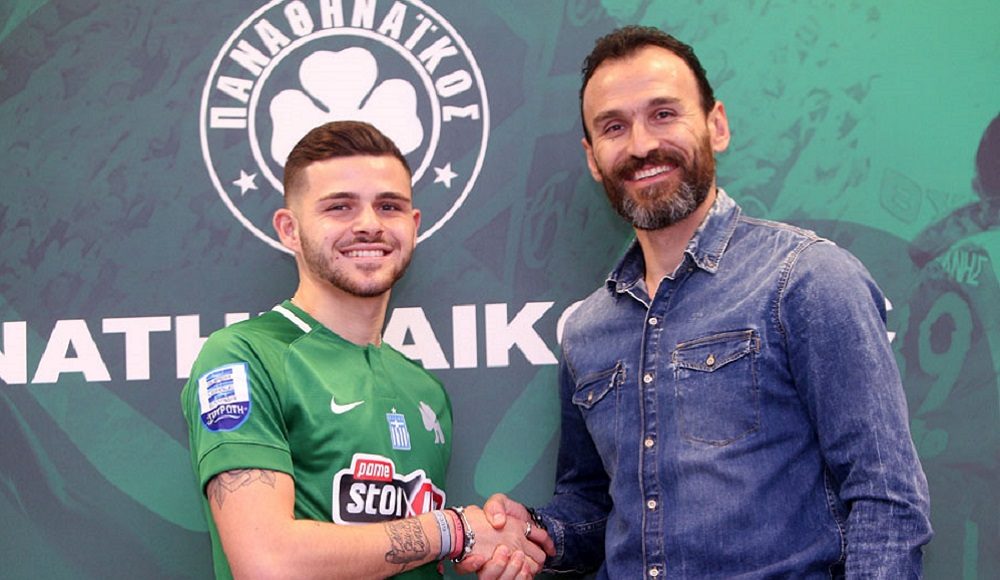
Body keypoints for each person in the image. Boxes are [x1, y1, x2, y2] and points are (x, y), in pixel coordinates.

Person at [480, 26, 933, 578]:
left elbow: (887, 499)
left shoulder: (806, 278)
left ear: (716, 125)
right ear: (593, 157)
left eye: (663, 114)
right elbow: (596, 508)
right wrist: (534, 532)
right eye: (614, 127)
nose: (641, 145)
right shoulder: (586, 330)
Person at [181, 121, 548, 579]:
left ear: (413, 225)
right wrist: (453, 530)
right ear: (290, 229)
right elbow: (268, 562)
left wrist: (491, 549)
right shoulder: (244, 356)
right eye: (340, 207)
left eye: (389, 206)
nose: (370, 225)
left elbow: (410, 547)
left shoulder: (425, 390)